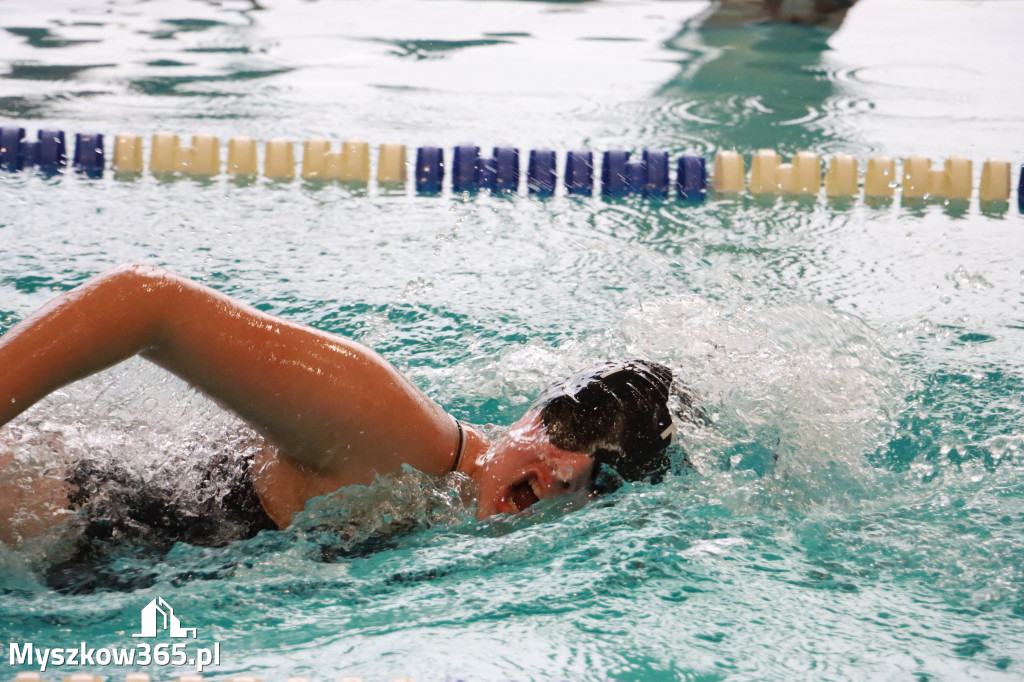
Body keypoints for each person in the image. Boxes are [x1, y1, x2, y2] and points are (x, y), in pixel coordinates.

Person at [0, 264, 686, 554]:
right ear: (534, 413)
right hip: (48, 511)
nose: (565, 468)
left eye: (603, 473)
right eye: (571, 427)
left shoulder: (443, 509)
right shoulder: (397, 430)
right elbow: (145, 301)